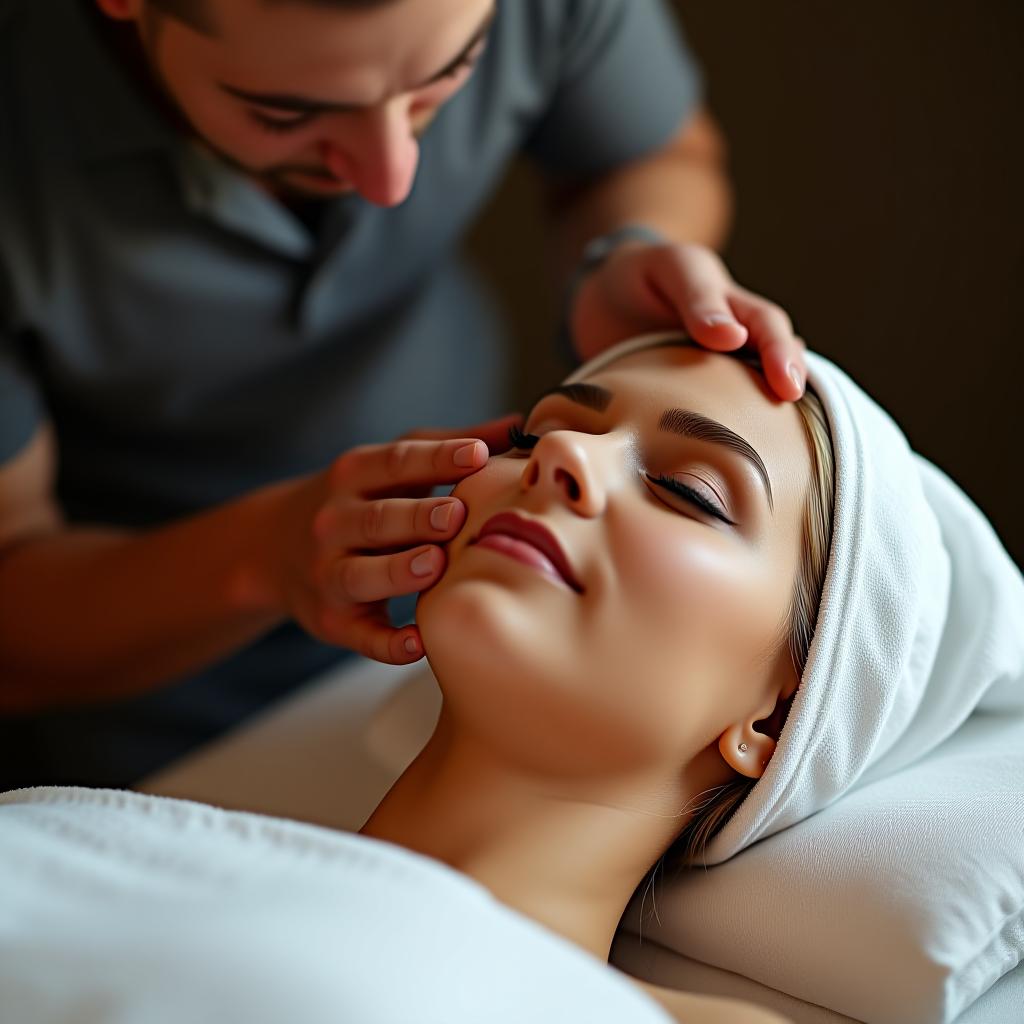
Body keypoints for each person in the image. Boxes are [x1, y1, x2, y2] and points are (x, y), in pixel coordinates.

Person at [0, 0, 808, 791]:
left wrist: (629, 246)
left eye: (446, 76)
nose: (391, 178)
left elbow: (653, 156)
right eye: (285, 111)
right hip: (129, 698)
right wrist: (266, 554)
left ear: (777, 711)